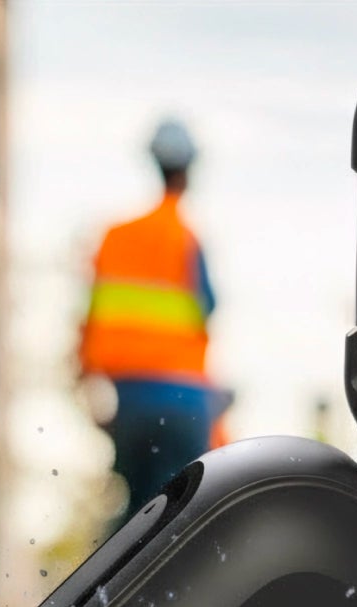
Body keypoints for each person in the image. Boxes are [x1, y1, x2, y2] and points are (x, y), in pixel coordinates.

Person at [79, 119, 226, 521]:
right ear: (188, 171)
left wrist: (86, 389)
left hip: (128, 405)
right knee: (182, 515)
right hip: (184, 403)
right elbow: (208, 307)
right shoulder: (183, 238)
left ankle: (115, 584)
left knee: (137, 514)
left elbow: (90, 321)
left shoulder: (114, 238)